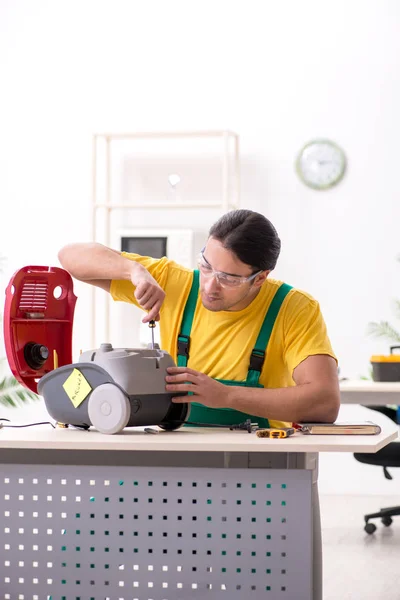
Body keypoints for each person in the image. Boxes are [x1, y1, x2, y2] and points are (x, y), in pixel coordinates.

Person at [58, 209, 340, 429]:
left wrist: (227, 397)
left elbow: (324, 403)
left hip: (258, 462)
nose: (209, 286)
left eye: (228, 278)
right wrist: (133, 270)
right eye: (206, 266)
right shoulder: (174, 283)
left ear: (260, 279)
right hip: (175, 454)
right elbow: (70, 257)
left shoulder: (294, 309)